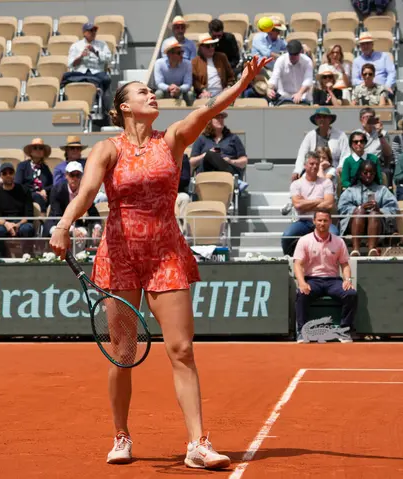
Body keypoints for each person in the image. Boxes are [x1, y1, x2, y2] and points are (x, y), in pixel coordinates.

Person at [49, 55, 270, 469]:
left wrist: (241, 84)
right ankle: (121, 435)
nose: (152, 94)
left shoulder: (171, 140)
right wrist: (63, 224)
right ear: (124, 107)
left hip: (166, 252)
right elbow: (86, 194)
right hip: (120, 256)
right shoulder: (106, 149)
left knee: (182, 348)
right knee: (123, 353)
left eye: (152, 90)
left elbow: (209, 109)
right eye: (142, 92)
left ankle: (197, 444)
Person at [293, 209, 356, 343]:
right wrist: (302, 282)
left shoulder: (339, 242)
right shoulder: (304, 240)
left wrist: (347, 280)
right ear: (314, 221)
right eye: (320, 220)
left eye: (325, 220)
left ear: (330, 222)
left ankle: (344, 331)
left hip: (333, 281)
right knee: (301, 294)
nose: (322, 223)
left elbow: (344, 264)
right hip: (312, 280)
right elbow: (297, 264)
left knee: (350, 293)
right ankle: (302, 332)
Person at [338, 159, 399, 256]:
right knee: (360, 211)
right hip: (355, 223)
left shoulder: (382, 190)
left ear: (375, 174)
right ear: (360, 173)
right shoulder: (351, 190)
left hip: (377, 224)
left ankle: (372, 249)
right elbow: (342, 208)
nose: (368, 175)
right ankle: (356, 249)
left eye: (371, 173)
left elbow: (393, 208)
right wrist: (359, 208)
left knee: (374, 214)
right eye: (365, 172)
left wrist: (380, 210)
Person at [282, 152, 337, 256]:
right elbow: (298, 206)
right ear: (305, 165)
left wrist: (305, 203)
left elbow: (329, 205)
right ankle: (289, 260)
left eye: (317, 164)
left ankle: (331, 260)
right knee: (287, 236)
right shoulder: (296, 184)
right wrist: (320, 200)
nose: (315, 166)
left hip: (323, 220)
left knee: (335, 234)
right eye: (311, 164)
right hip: (303, 222)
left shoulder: (326, 183)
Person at [43, 162, 102, 253]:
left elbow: (94, 214)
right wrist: (71, 229)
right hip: (56, 223)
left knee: (82, 233)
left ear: (82, 177)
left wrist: (97, 228)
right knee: (54, 231)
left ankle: (77, 258)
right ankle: (56, 258)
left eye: (78, 175)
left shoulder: (85, 191)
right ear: (66, 175)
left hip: (76, 225)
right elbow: (57, 214)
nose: (74, 178)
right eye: (72, 175)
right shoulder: (57, 189)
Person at [0, 162, 36, 256]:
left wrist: (17, 225)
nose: (8, 175)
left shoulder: (24, 190)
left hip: (22, 222)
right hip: (5, 223)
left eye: (10, 172)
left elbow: (29, 215)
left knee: (27, 229)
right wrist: (8, 224)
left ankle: (27, 256)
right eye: (5, 173)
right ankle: (3, 256)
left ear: (14, 174)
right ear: (0, 176)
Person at [64, 22, 113, 113]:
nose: (93, 32)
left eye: (95, 30)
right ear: (84, 33)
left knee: (106, 79)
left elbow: (108, 59)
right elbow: (71, 64)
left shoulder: (102, 45)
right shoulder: (76, 46)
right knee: (65, 76)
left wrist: (96, 52)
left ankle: (105, 110)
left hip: (97, 72)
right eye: (91, 30)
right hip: (80, 72)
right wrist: (81, 56)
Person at [292, 107, 349, 180]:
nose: (322, 119)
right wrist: (297, 170)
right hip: (314, 169)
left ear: (330, 119)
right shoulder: (310, 135)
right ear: (315, 120)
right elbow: (302, 154)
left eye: (325, 117)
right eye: (318, 117)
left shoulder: (341, 135)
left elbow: (346, 154)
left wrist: (341, 167)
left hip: (333, 171)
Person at [189, 111, 247, 180]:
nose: (220, 119)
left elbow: (244, 161)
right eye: (217, 117)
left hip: (228, 171)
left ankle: (233, 180)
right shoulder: (202, 139)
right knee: (210, 155)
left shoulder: (233, 138)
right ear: (210, 121)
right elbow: (192, 162)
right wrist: (205, 155)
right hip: (207, 173)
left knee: (212, 156)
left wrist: (230, 161)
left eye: (222, 117)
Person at [267, 40, 313, 106]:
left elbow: (308, 81)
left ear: (300, 52)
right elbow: (274, 78)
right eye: (291, 54)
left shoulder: (307, 61)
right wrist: (269, 89)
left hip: (303, 98)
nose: (293, 57)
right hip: (284, 99)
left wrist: (299, 93)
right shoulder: (281, 60)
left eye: (295, 54)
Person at [192, 34, 235, 99]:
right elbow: (195, 81)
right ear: (201, 48)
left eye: (213, 45)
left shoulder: (222, 57)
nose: (211, 48)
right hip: (205, 95)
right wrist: (203, 91)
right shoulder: (195, 62)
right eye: (208, 46)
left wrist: (228, 88)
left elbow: (231, 76)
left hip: (223, 93)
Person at [16, 138, 53, 211]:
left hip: (44, 196)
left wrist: (45, 190)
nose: (38, 150)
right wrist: (35, 192)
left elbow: (52, 184)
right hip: (28, 195)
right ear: (30, 151)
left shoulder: (45, 168)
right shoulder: (22, 166)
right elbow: (18, 184)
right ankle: (42, 218)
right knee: (37, 196)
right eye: (35, 148)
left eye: (41, 148)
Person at [154, 40, 195, 106]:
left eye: (182, 52)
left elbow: (188, 83)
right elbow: (159, 83)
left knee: (190, 94)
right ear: (169, 54)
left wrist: (179, 89)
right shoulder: (159, 63)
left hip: (181, 91)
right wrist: (169, 88)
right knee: (158, 94)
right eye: (179, 53)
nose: (182, 55)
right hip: (165, 91)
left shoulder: (187, 64)